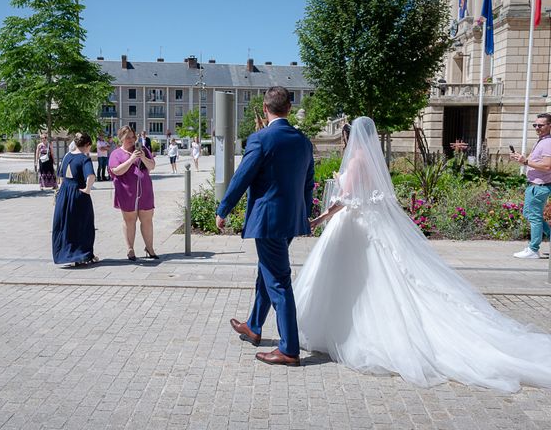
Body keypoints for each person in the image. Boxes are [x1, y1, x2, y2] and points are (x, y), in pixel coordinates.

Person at [293, 116, 551, 392]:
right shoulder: (372, 159)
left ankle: (348, 329)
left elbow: (346, 199)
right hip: (371, 223)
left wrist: (320, 219)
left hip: (354, 227)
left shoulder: (356, 160)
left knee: (354, 280)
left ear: (350, 136)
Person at [216, 86, 315, 367]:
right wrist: (303, 215)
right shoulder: (303, 141)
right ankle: (254, 326)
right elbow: (308, 184)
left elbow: (241, 178)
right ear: (289, 109)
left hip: (268, 221)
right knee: (267, 272)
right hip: (290, 220)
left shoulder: (261, 139)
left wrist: (223, 209)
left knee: (279, 281)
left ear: (264, 108)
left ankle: (289, 349)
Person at [108, 125, 158, 261]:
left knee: (147, 220)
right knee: (130, 220)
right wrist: (130, 160)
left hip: (145, 191)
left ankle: (150, 247)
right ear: (121, 139)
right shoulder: (116, 153)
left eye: (132, 137)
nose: (131, 140)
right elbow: (116, 171)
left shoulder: (143, 150)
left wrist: (143, 157)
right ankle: (130, 249)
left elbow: (152, 166)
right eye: (127, 137)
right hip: (126, 192)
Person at [52, 132, 98, 266]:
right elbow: (91, 176)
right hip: (78, 193)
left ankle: (65, 254)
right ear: (87, 145)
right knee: (83, 225)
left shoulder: (67, 156)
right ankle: (81, 254)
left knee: (65, 225)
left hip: (64, 193)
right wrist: (87, 190)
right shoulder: (84, 159)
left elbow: (60, 176)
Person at [510, 113, 551, 259]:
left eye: (541, 125)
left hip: (539, 186)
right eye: (535, 125)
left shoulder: (547, 143)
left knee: (534, 217)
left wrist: (525, 161)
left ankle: (533, 249)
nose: (537, 128)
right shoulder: (542, 141)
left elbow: (547, 166)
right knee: (531, 214)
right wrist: (522, 159)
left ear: (549, 126)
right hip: (534, 185)